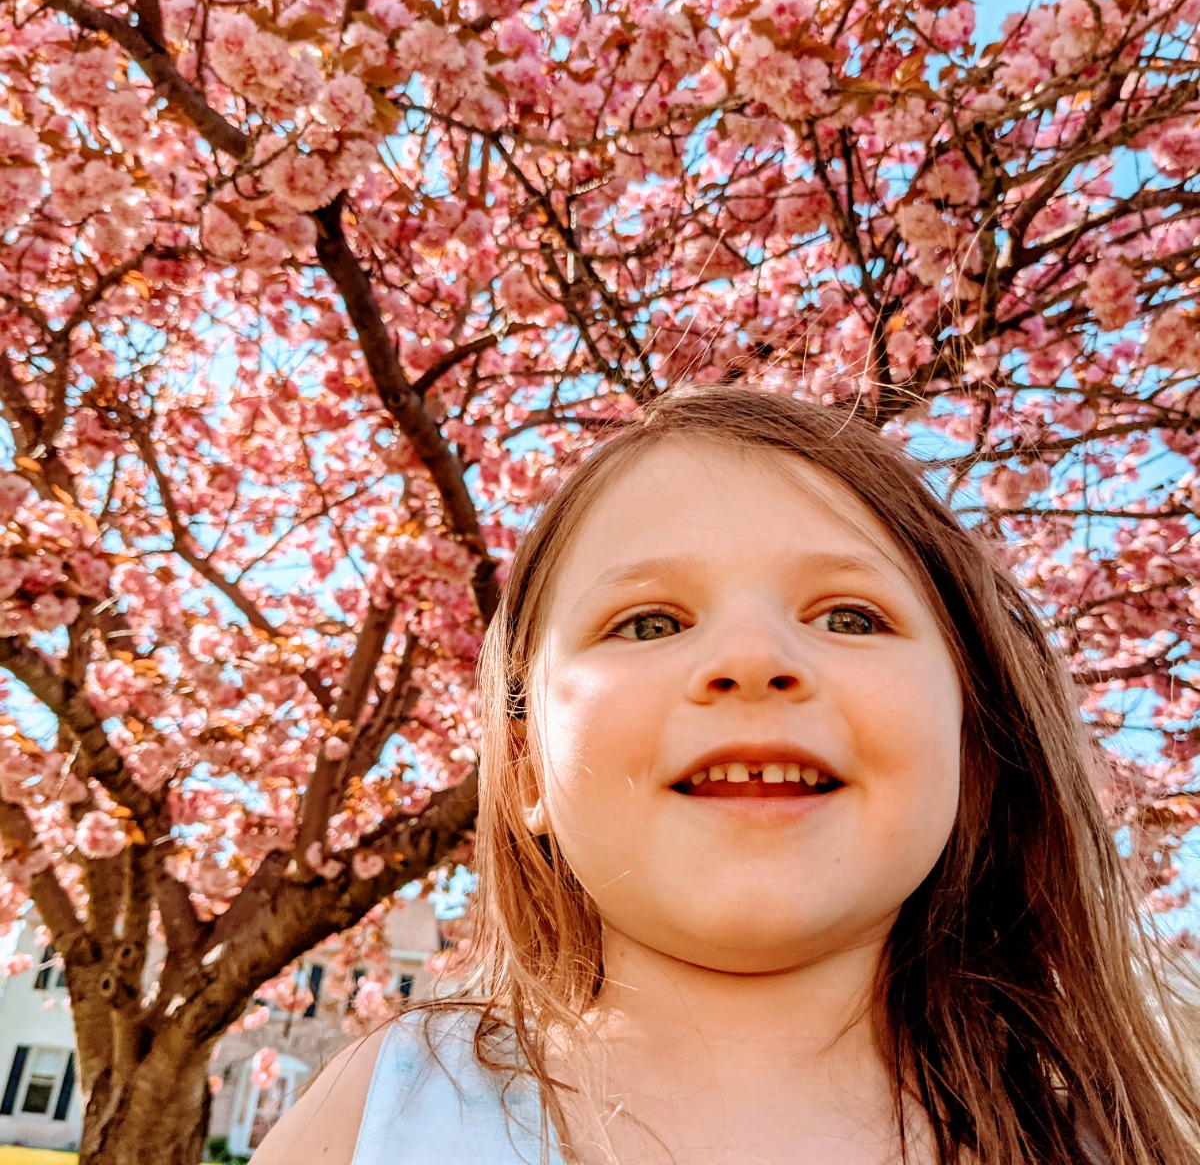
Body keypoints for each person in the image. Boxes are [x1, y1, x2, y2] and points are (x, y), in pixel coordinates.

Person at [252, 386, 1200, 1165]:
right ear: (526, 763)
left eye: (850, 617)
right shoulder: (384, 1113)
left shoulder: (1114, 1137)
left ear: (973, 740)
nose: (752, 655)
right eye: (650, 623)